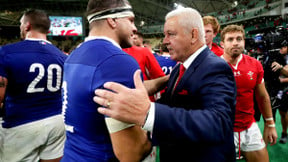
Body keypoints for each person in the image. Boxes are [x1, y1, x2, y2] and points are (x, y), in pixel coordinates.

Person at [94, 7, 236, 162]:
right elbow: (173, 103)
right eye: (165, 35)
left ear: (193, 35)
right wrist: (133, 104)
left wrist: (149, 112)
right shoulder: (180, 67)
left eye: (171, 34)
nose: (165, 41)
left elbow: (218, 123)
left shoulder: (215, 67)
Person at [61, 0, 151, 161]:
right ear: (113, 20)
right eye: (130, 20)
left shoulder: (75, 54)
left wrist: (166, 80)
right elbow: (131, 152)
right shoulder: (117, 61)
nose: (135, 28)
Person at [0, 9, 67, 162]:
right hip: (57, 121)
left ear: (27, 26)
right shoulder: (63, 57)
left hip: (20, 123)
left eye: (20, 24)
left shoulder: (6, 52)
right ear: (48, 30)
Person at [220, 24, 277, 161]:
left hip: (249, 126)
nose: (235, 43)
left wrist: (270, 124)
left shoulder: (255, 64)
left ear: (244, 42)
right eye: (230, 39)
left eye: (239, 39)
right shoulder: (212, 65)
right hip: (221, 129)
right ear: (222, 44)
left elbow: (262, 96)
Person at [270, 40, 288, 144]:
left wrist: (281, 79)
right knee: (271, 112)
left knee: (283, 112)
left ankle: (284, 133)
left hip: (284, 89)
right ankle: (272, 134)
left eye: (284, 46)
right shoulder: (275, 56)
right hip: (273, 88)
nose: (282, 48)